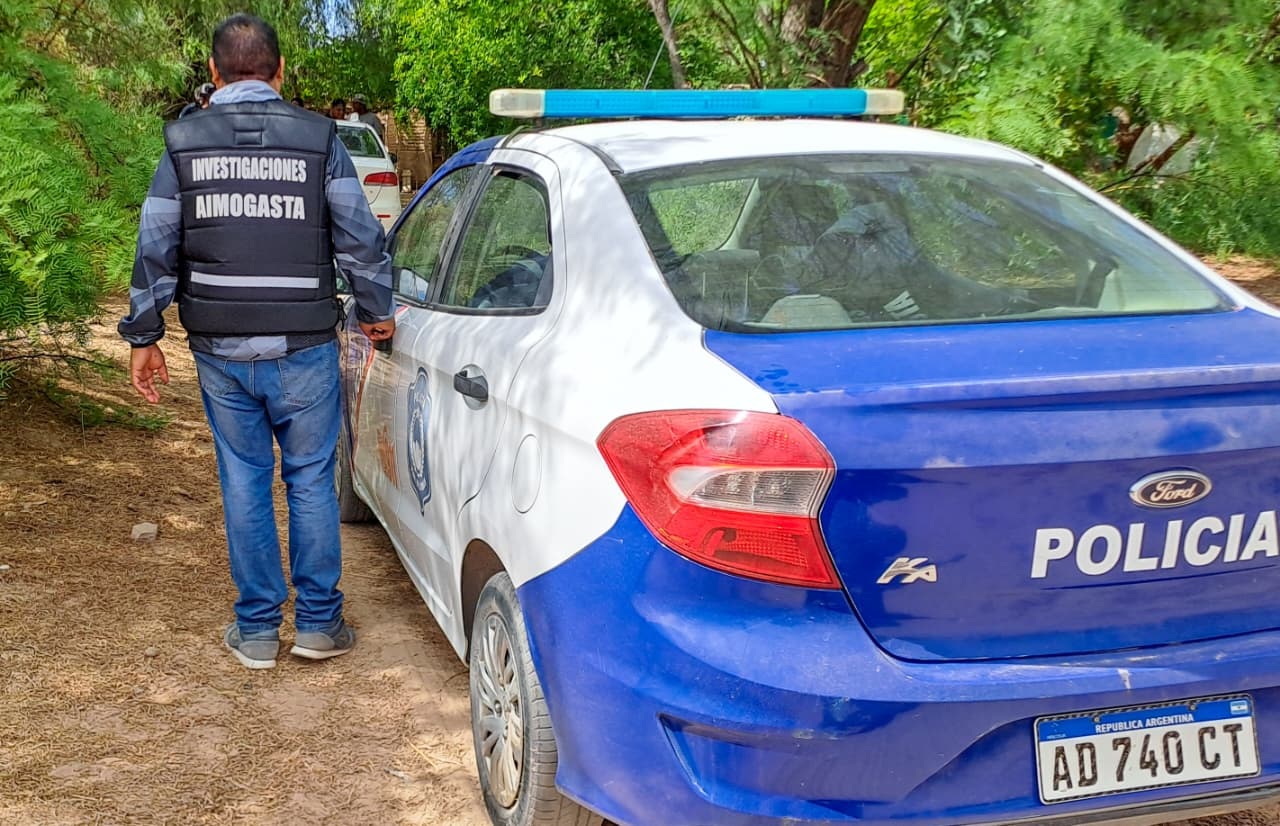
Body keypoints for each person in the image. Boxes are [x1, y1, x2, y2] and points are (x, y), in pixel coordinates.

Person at [119, 13, 395, 670]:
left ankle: (255, 632)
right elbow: (359, 236)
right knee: (308, 481)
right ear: (278, 72)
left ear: (214, 74)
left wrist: (143, 333)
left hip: (219, 350)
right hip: (304, 346)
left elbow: (156, 242)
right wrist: (375, 309)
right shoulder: (319, 137)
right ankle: (320, 626)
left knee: (244, 481)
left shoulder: (183, 143)